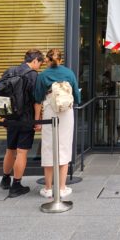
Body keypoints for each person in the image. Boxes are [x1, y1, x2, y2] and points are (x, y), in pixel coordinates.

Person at [34, 48, 81, 199]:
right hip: (66, 113)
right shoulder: (69, 73)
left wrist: (37, 120)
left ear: (47, 60)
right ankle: (62, 188)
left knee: (49, 147)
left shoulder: (43, 75)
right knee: (64, 147)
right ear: (60, 60)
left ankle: (48, 188)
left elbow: (37, 99)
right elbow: (77, 96)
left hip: (50, 111)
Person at [0, 49, 44, 197]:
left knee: (10, 149)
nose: (39, 66)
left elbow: (1, 94)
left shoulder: (10, 71)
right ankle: (16, 185)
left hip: (10, 117)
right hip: (26, 118)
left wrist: (3, 114)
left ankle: (5, 180)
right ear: (35, 60)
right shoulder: (33, 76)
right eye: (40, 63)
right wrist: (37, 120)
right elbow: (37, 101)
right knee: (21, 151)